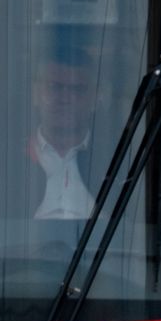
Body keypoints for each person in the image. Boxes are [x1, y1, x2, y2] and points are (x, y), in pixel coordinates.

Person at [27, 36, 100, 221]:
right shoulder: (3, 162)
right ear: (36, 93)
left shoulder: (117, 162)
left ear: (93, 99)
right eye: (55, 87)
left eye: (77, 89)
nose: (66, 98)